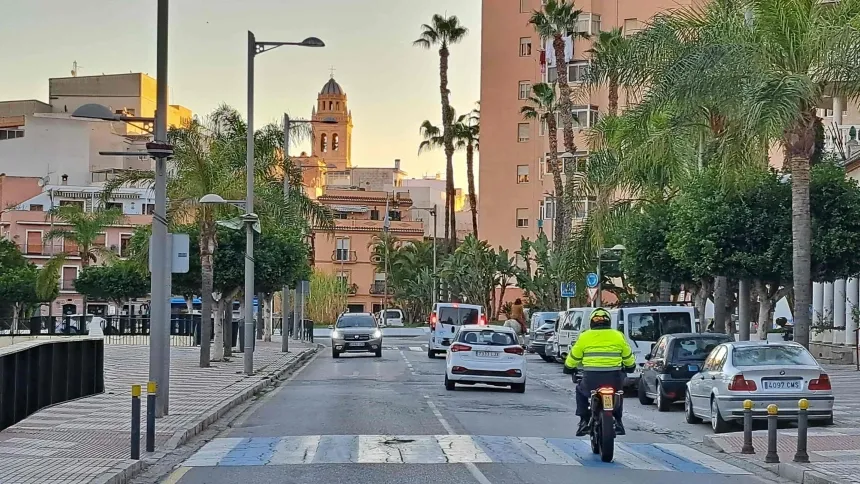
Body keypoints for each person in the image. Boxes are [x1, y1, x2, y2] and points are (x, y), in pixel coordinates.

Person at [564, 307, 635, 437]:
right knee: (618, 394)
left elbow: (574, 356)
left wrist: (568, 367)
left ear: (592, 321)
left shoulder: (585, 336)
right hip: (613, 378)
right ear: (609, 321)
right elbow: (628, 355)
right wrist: (630, 367)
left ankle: (584, 420)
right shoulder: (618, 335)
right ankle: (618, 421)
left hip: (591, 379)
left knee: (580, 391)